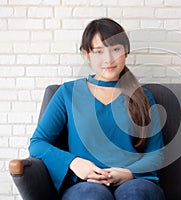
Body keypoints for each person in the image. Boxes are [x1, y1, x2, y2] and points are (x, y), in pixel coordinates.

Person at [29, 18, 165, 200]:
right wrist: (74, 162)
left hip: (135, 181)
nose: (108, 59)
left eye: (115, 49)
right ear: (87, 55)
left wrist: (129, 173)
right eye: (99, 51)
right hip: (83, 184)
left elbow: (156, 153)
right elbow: (38, 143)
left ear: (126, 51)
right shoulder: (67, 93)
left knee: (135, 194)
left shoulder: (143, 96)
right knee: (91, 195)